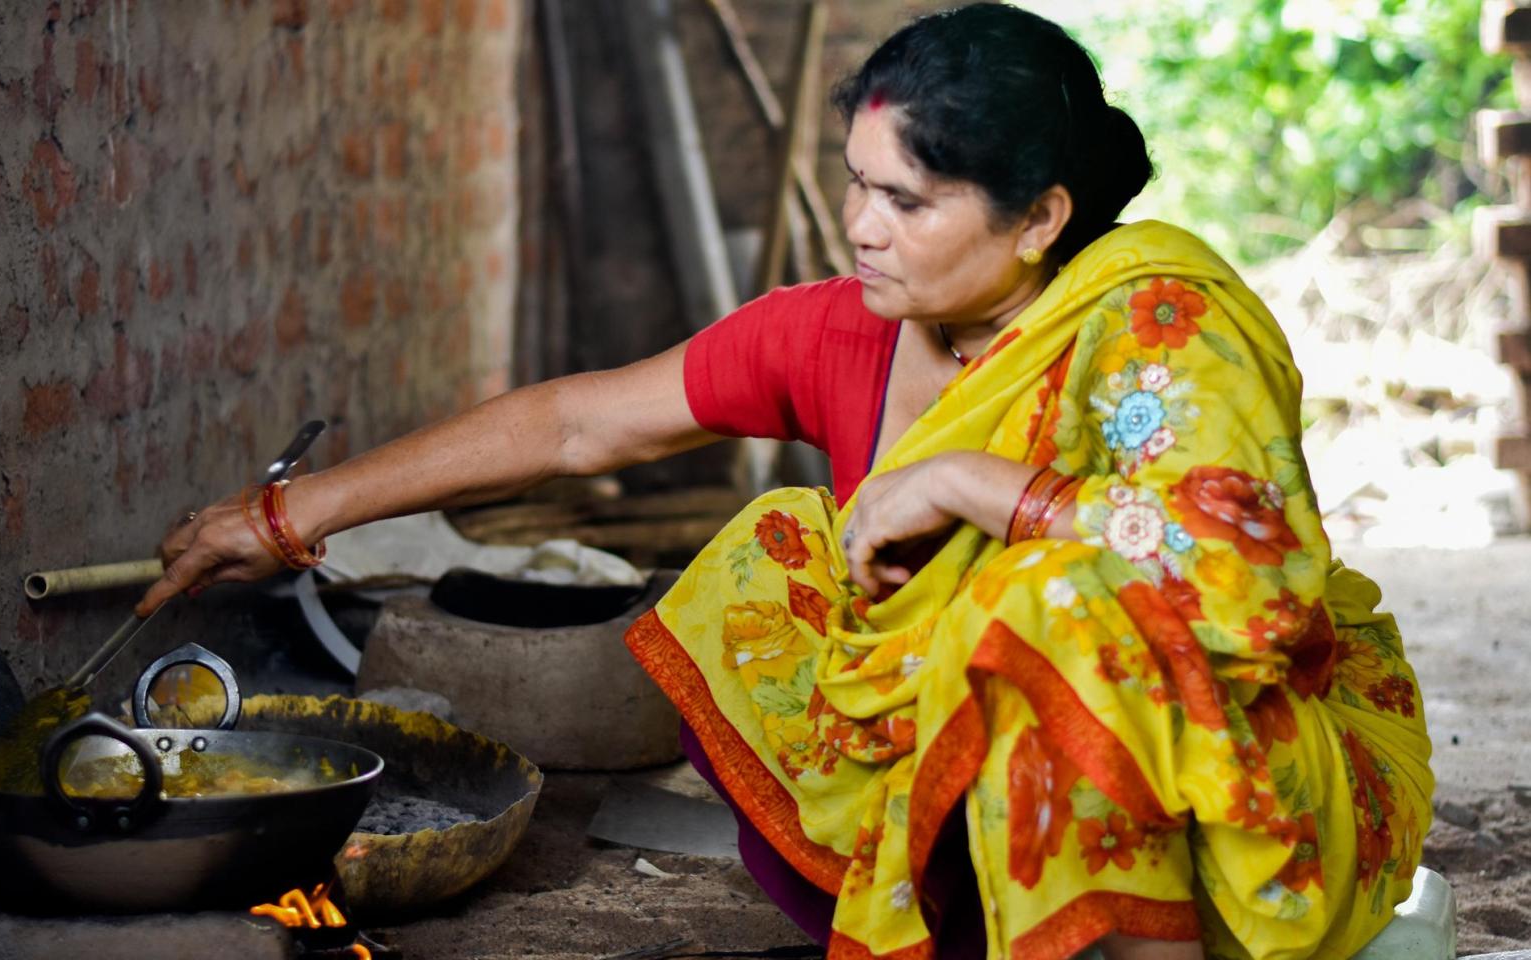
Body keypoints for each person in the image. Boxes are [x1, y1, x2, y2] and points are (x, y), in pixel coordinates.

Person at [140, 7, 1433, 959]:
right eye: (857, 188)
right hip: (962, 791)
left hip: (1212, 792)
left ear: (1038, 219)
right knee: (775, 552)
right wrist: (292, 512)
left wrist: (990, 489)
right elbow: (585, 423)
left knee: (1051, 606)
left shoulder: (1154, 322)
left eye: (909, 202)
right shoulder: (841, 327)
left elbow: (1250, 594)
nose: (861, 227)